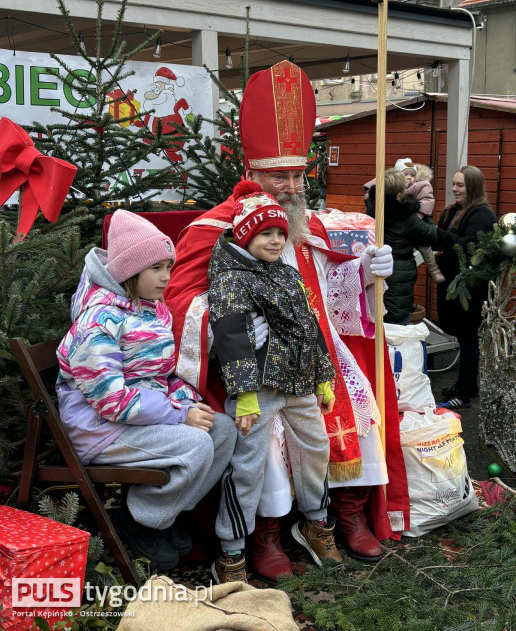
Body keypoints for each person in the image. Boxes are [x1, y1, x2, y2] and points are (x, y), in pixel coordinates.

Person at [165, 60, 410, 582]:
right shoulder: (216, 230)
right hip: (251, 370)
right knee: (262, 447)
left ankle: (343, 515)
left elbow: (324, 290)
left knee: (356, 406)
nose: (293, 188)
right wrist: (235, 328)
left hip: (310, 357)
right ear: (251, 173)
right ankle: (264, 536)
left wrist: (366, 273)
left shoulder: (304, 224)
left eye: (299, 175)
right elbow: (180, 302)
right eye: (281, 176)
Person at [56, 210, 236, 570]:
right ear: (130, 271)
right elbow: (111, 401)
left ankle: (160, 518)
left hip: (137, 418)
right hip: (101, 430)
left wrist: (186, 402)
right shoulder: (98, 322)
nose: (166, 276)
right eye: (156, 268)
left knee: (223, 430)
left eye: (169, 266)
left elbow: (163, 375)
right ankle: (137, 522)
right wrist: (180, 415)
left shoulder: (151, 311)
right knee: (196, 443)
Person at [209, 181, 341, 583]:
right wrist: (245, 395)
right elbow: (232, 339)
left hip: (298, 383)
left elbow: (309, 326)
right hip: (260, 391)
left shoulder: (284, 272)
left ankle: (317, 522)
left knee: (316, 448)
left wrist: (323, 379)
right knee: (247, 466)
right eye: (265, 233)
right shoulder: (231, 278)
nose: (275, 240)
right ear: (245, 235)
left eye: (280, 233)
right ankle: (231, 550)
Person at [436, 166, 497, 408]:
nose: (454, 189)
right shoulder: (454, 211)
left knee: (469, 338)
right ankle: (467, 385)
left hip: (470, 290)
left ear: (473, 187)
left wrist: (439, 234)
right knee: (464, 338)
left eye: (460, 185)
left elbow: (466, 247)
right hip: (455, 286)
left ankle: (463, 393)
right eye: (453, 184)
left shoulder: (482, 215)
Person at [372, 170, 441, 325]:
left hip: (379, 270)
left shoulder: (375, 209)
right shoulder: (407, 218)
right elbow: (431, 235)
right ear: (398, 196)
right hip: (398, 276)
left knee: (380, 318)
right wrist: (425, 214)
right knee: (397, 320)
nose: (407, 190)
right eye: (404, 188)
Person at [393, 158, 444, 283]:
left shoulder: (421, 185)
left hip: (417, 220)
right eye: (405, 174)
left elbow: (427, 199)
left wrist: (420, 214)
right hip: (400, 227)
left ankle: (433, 269)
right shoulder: (393, 188)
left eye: (412, 175)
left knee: (425, 247)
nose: (409, 177)